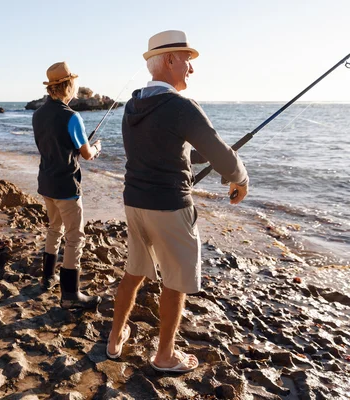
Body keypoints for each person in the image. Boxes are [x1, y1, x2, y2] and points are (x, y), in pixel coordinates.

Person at [106, 30, 249, 372]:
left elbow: (169, 148)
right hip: (170, 207)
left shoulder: (133, 105)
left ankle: (114, 340)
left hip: (135, 203)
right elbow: (222, 155)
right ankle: (165, 356)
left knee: (134, 271)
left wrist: (206, 159)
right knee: (175, 280)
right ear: (169, 60)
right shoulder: (181, 107)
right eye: (187, 60)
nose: (191, 69)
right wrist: (240, 178)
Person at [33, 61, 103, 309]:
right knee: (75, 237)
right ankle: (71, 294)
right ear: (68, 85)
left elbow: (52, 146)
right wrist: (96, 148)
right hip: (66, 186)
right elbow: (86, 154)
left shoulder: (38, 114)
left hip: (46, 183)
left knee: (54, 228)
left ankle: (47, 278)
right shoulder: (72, 117)